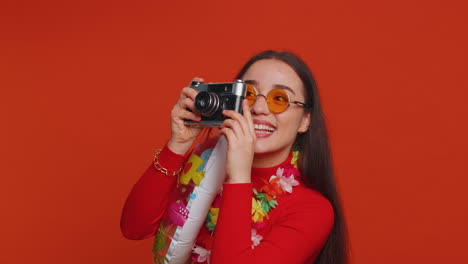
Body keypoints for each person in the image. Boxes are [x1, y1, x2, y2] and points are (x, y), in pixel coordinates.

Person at [120, 50, 348, 264]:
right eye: (249, 94)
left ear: (305, 121)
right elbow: (134, 228)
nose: (259, 108)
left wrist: (239, 174)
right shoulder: (206, 163)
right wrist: (177, 146)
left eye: (279, 99)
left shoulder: (313, 210)